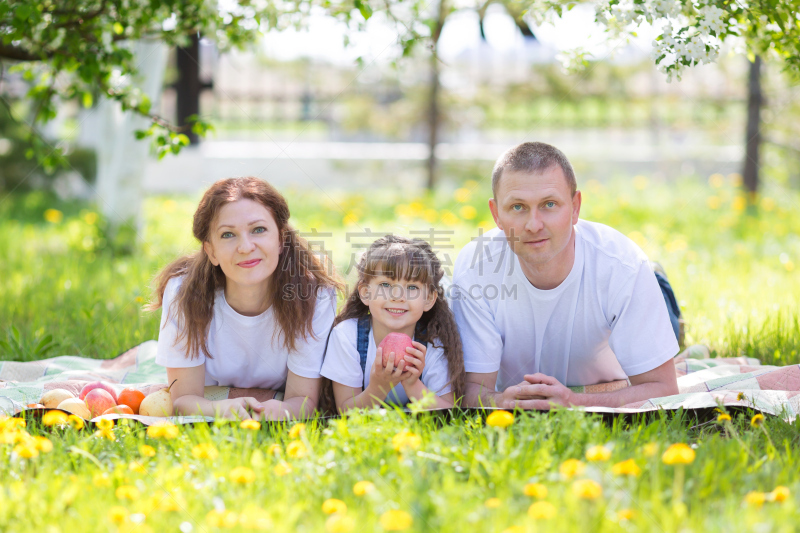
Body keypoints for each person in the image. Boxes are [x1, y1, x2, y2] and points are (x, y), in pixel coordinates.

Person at [451, 142, 680, 410]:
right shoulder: (474, 267)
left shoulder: (623, 266)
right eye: (517, 207)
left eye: (549, 204)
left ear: (575, 207)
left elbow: (664, 389)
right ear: (495, 214)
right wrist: (500, 400)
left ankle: (658, 280)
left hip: (630, 294)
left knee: (660, 309)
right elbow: (471, 391)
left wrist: (573, 401)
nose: (533, 225)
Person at [149, 177, 343, 420]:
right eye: (228, 234)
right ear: (211, 251)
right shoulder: (183, 292)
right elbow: (183, 400)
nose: (245, 246)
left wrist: (278, 411)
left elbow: (302, 401)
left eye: (258, 230)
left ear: (281, 239)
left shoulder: (314, 295)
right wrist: (223, 409)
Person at [320, 235, 465, 412]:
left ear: (428, 299)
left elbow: (449, 413)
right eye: (385, 285)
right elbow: (345, 411)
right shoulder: (347, 336)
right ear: (365, 293)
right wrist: (379, 386)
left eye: (412, 287)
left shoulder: (433, 344)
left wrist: (412, 384)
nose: (397, 296)